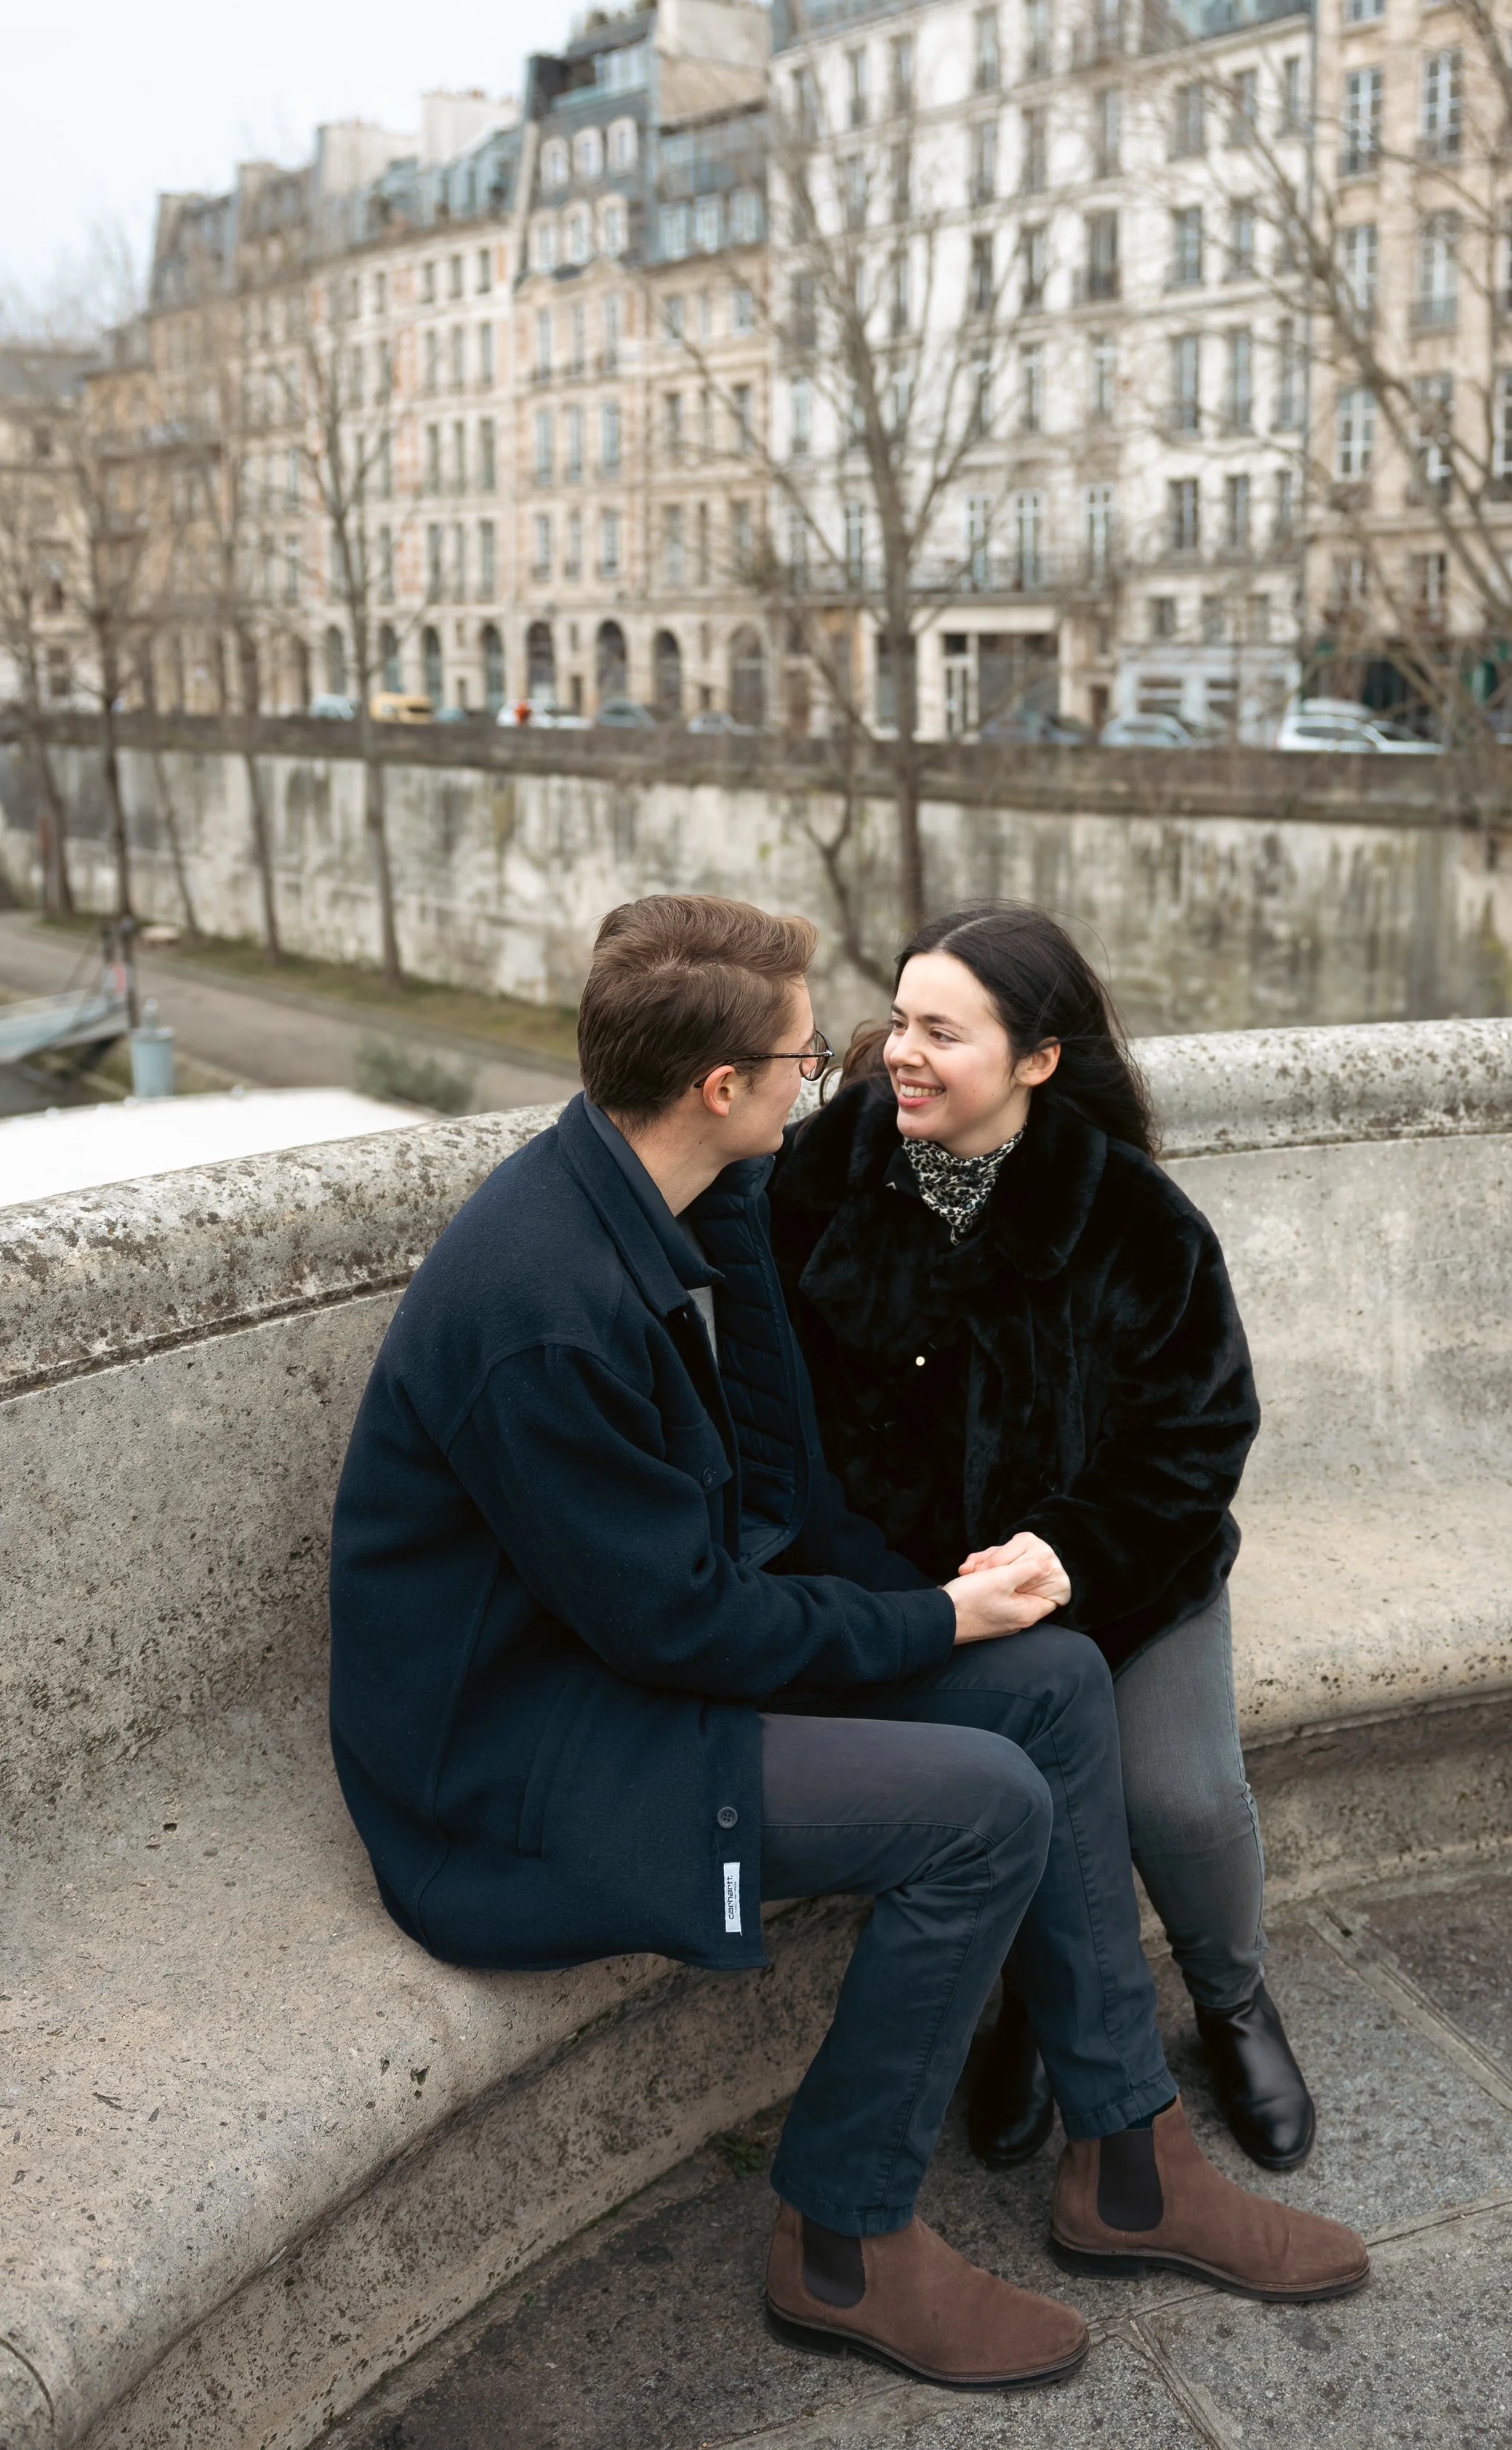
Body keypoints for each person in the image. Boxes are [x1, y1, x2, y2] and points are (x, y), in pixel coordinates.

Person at [329, 894, 1366, 2391]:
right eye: (815, 1058)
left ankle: (1125, 2159)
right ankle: (842, 2236)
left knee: (1057, 1685)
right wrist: (929, 1617)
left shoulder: (693, 1193)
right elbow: (678, 1623)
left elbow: (780, 1479)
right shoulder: (540, 1308)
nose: (853, 1070)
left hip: (637, 1666)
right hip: (521, 1757)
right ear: (721, 1087)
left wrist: (963, 1607)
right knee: (979, 1810)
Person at [768, 901, 1318, 2177]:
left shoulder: (1136, 1219)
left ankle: (1232, 2001)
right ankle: (1031, 2002)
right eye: (899, 1018)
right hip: (923, 1596)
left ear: (1037, 1059)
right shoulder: (816, 1184)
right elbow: (783, 1412)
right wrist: (909, 1597)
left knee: (1177, 1797)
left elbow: (1199, 1434)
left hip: (1127, 1578)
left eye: (942, 1032)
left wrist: (1069, 1551)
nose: (900, 1050)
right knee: (999, 1780)